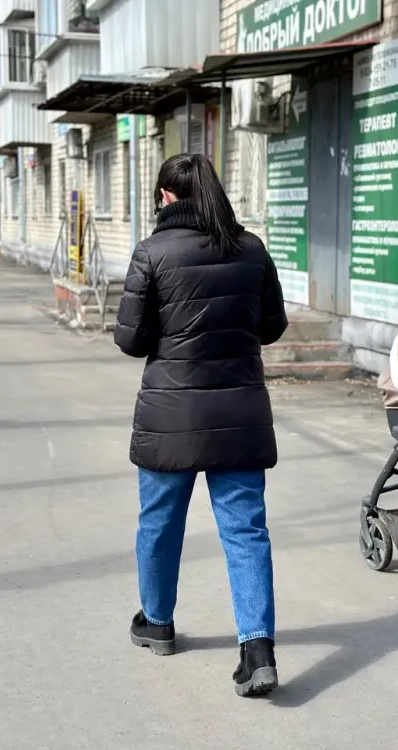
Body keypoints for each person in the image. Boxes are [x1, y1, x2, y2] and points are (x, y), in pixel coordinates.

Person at [114, 153, 288, 697]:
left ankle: (158, 622)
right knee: (245, 530)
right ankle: (256, 648)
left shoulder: (152, 252)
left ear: (167, 196)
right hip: (239, 414)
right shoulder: (251, 249)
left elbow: (131, 340)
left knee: (159, 524)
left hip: (172, 416)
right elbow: (272, 327)